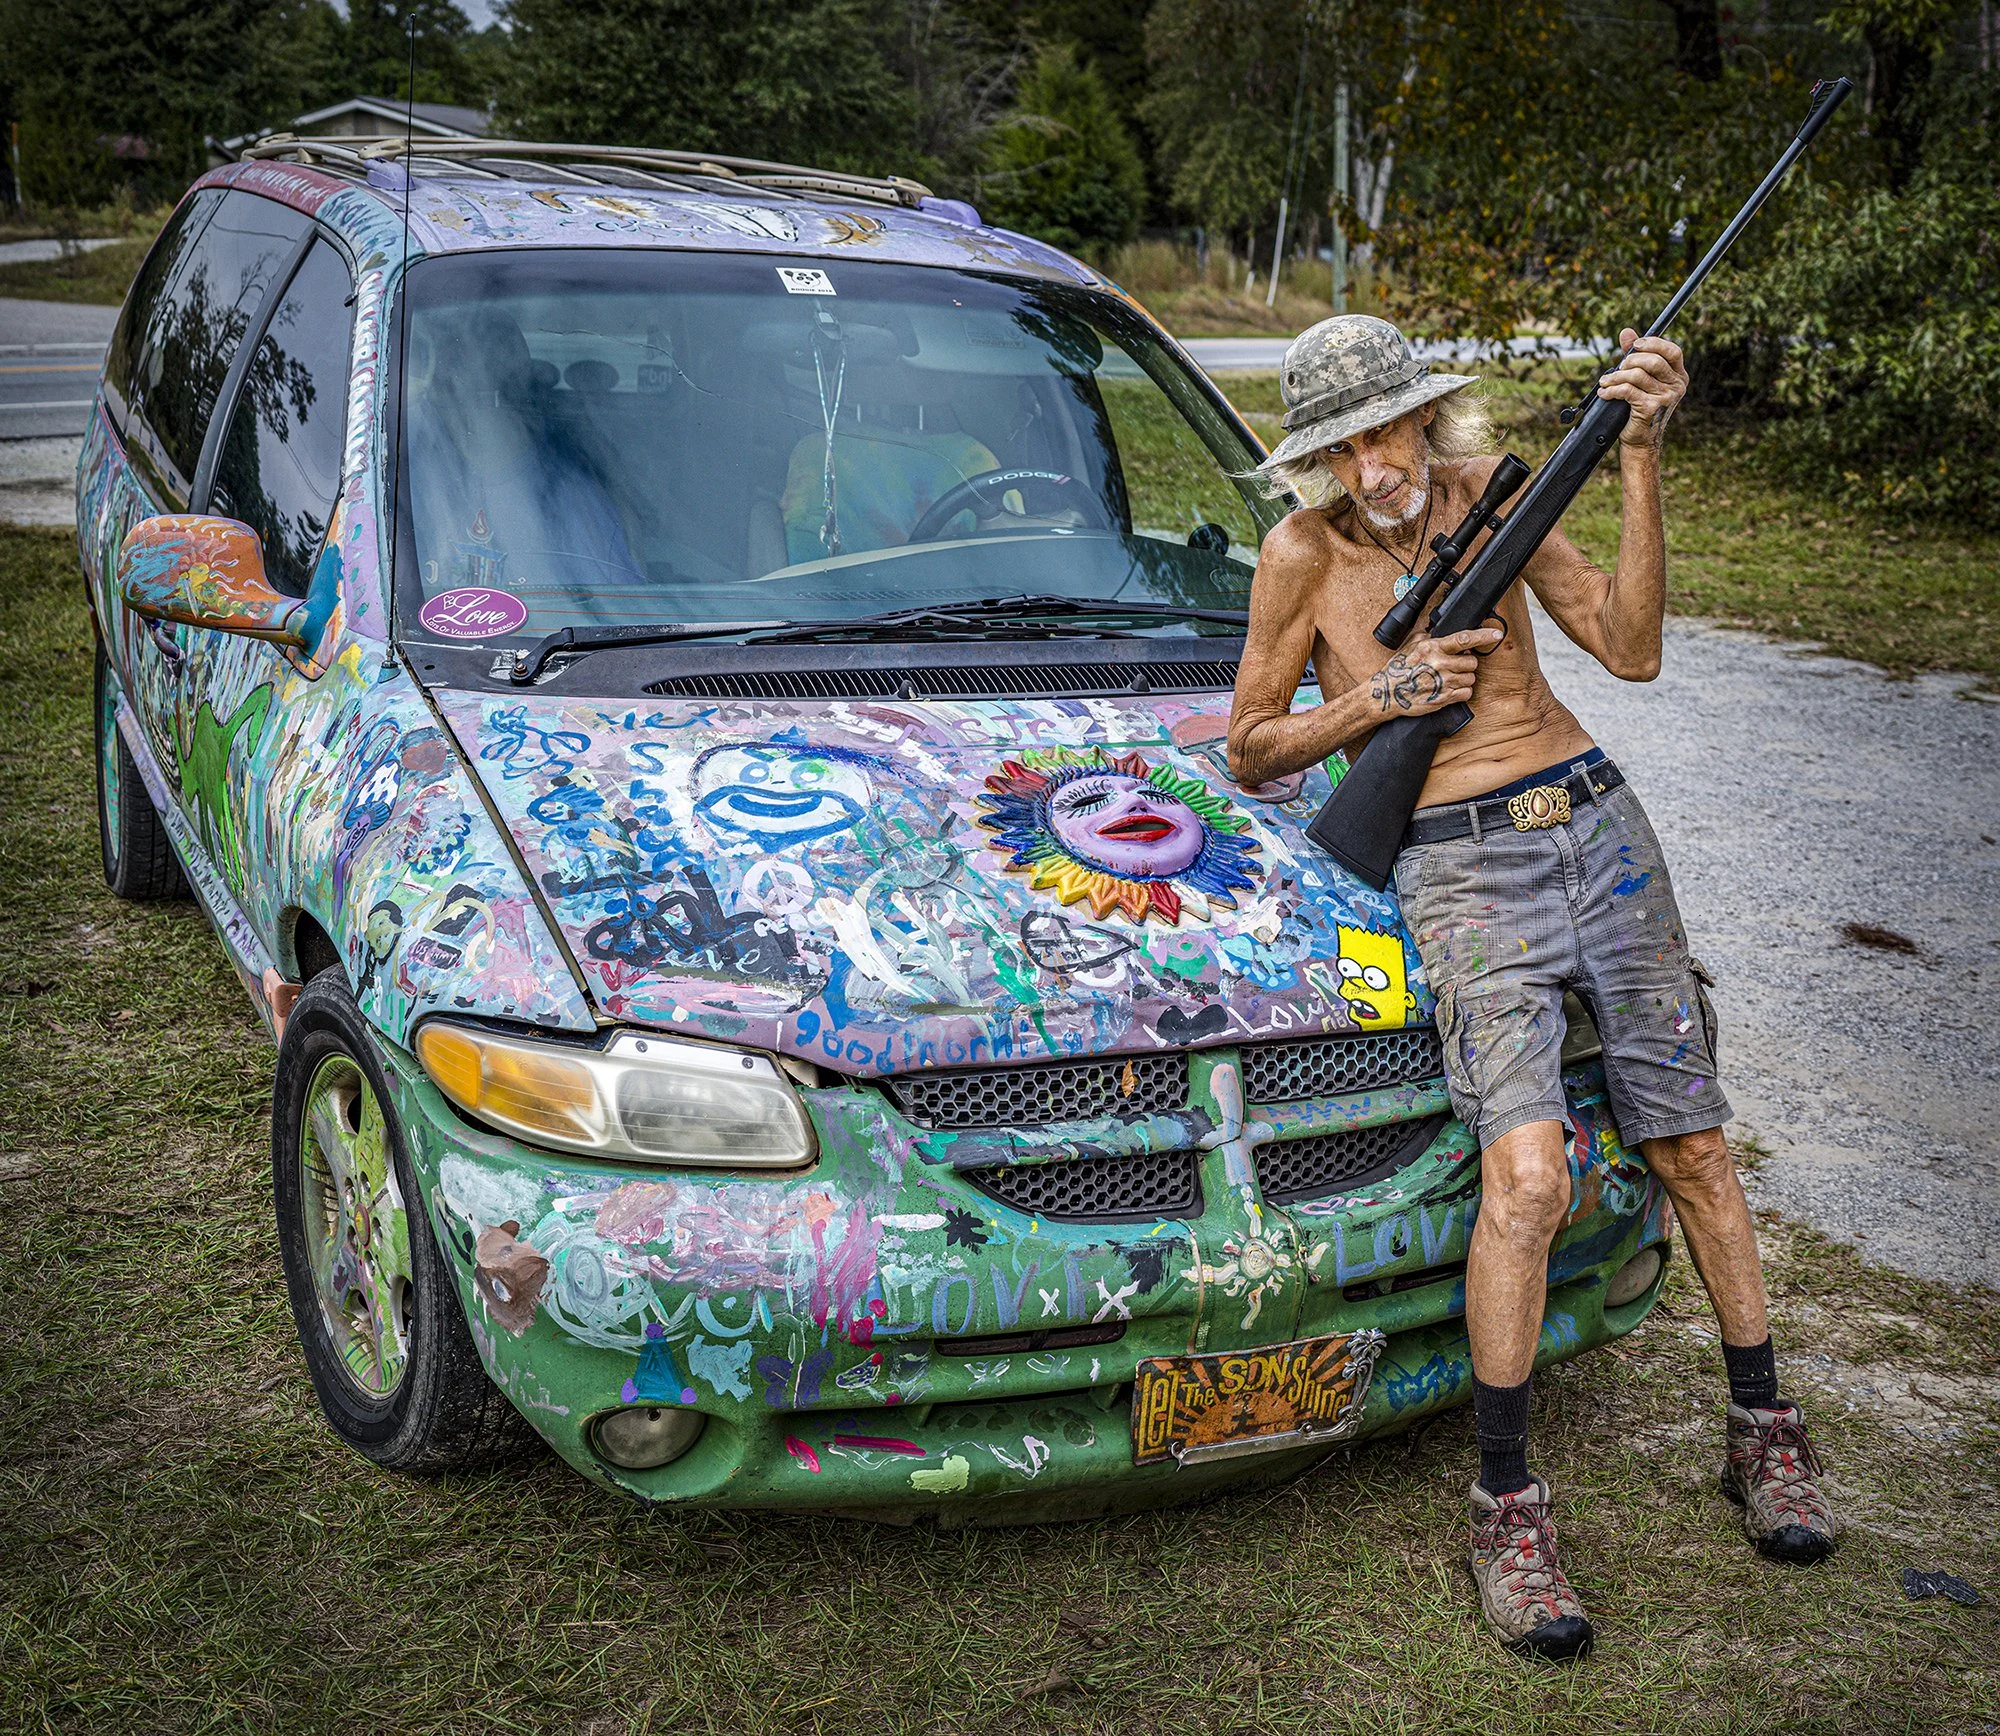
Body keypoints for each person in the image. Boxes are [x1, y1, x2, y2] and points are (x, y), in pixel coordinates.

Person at [1227, 315, 1837, 1662]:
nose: (1372, 462)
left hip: (1602, 827)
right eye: (1341, 443)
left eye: (1387, 429)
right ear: (1315, 459)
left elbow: (1630, 649)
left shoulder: (1497, 496)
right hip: (1456, 868)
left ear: (1423, 418)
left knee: (1693, 1142)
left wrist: (1640, 462)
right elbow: (1250, 744)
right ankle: (1507, 1505)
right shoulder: (1301, 555)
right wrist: (1376, 700)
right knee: (1530, 1180)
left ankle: (1764, 1437)